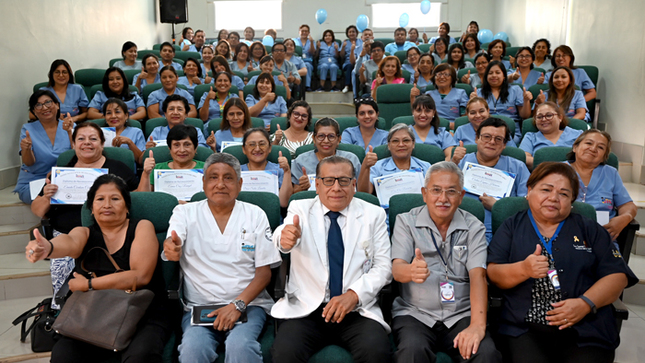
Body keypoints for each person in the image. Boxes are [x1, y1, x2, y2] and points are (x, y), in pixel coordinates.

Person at [487, 162, 638, 363]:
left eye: (564, 194)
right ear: (529, 190)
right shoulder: (512, 226)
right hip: (524, 327)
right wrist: (523, 269)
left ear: (572, 200)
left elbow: (617, 276)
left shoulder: (589, 229)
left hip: (585, 328)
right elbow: (494, 273)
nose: (553, 198)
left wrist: (585, 304)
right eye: (546, 190)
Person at [26, 174, 171, 363]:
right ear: (92, 209)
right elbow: (69, 241)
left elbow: (140, 276)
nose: (107, 204)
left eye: (115, 199)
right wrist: (48, 248)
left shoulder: (142, 227)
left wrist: (89, 284)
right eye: (100, 199)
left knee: (140, 356)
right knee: (63, 354)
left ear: (127, 207)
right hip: (94, 313)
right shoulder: (84, 232)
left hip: (143, 311)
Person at [271, 155, 393, 363]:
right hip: (307, 309)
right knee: (284, 353)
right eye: (328, 181)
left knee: (377, 352)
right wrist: (284, 238)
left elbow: (383, 267)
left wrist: (354, 295)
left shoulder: (374, 215)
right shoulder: (300, 208)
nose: (336, 187)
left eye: (343, 181)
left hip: (356, 309)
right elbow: (286, 232)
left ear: (354, 184)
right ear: (317, 185)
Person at [163, 152, 281, 363]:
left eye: (228, 177)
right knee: (192, 350)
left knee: (241, 347)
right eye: (213, 177)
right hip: (200, 307)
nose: (220, 184)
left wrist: (237, 306)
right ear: (203, 182)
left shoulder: (255, 214)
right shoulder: (184, 213)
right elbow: (174, 240)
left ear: (240, 183)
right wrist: (172, 247)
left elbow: (264, 274)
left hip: (248, 304)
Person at [391, 161, 502, 363]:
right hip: (416, 313)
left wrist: (477, 326)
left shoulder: (474, 227)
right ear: (424, 194)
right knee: (412, 352)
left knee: (486, 354)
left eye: (451, 192)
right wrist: (411, 271)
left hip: (461, 314)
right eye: (436, 190)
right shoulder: (406, 221)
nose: (443, 198)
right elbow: (397, 269)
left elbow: (478, 276)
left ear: (460, 197)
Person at [455, 118, 530, 241]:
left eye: (498, 139)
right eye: (486, 137)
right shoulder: (460, 162)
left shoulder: (518, 167)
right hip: (461, 228)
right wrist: (453, 163)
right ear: (476, 139)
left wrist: (499, 207)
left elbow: (527, 202)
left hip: (505, 231)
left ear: (505, 144)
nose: (492, 142)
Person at [566, 130, 637, 241]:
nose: (593, 149)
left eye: (600, 147)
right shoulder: (557, 170)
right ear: (575, 147)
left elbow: (627, 205)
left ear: (604, 156)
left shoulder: (611, 173)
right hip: (564, 234)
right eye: (589, 143)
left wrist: (624, 218)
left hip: (601, 237)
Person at [15, 90, 73, 204]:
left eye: (48, 102)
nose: (45, 108)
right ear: (34, 112)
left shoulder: (69, 126)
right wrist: (26, 149)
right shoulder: (27, 129)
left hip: (64, 178)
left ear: (57, 105)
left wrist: (70, 133)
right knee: (51, 196)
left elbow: (79, 156)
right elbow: (29, 163)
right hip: (34, 180)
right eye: (38, 105)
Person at [291, 118, 361, 193]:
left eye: (331, 136)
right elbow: (294, 194)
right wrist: (303, 187)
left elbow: (362, 191)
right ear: (314, 139)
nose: (326, 141)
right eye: (321, 136)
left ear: (339, 139)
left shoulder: (351, 159)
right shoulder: (301, 161)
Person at [357, 123, 430, 195]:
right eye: (395, 141)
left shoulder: (426, 166)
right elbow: (364, 193)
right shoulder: (377, 167)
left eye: (406, 140)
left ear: (413, 144)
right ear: (389, 145)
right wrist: (365, 166)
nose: (401, 144)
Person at [473, 61, 533, 144]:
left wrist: (526, 101)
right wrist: (472, 102)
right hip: (485, 129)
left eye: (497, 72)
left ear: (504, 76)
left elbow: (525, 115)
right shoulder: (479, 92)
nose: (494, 75)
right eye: (490, 73)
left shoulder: (515, 90)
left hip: (510, 131)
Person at [139, 124, 206, 198]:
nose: (182, 150)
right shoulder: (157, 168)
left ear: (195, 147)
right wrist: (146, 173)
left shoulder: (207, 168)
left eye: (187, 145)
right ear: (169, 148)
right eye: (176, 145)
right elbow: (142, 198)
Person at [519, 101, 583, 169]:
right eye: (539, 117)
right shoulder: (530, 137)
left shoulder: (577, 134)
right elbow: (524, 158)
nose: (544, 119)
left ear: (560, 118)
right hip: (541, 174)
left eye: (549, 115)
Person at [241, 128, 293, 207]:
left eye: (262, 144)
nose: (257, 149)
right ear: (244, 149)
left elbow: (283, 203)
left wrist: (287, 171)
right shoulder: (237, 171)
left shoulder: (280, 170)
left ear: (270, 148)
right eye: (252, 144)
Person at [407, 95, 457, 160]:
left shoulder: (444, 134)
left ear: (433, 112)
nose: (423, 115)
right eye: (419, 110)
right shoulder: (404, 133)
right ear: (413, 111)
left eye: (427, 111)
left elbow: (449, 157)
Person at [294, 24, 317, 91]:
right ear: (299, 32)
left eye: (306, 31)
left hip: (307, 61)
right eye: (302, 31)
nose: (304, 32)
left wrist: (312, 42)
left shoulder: (311, 41)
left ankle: (307, 86)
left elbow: (312, 52)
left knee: (308, 66)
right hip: (297, 61)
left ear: (308, 33)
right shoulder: (294, 41)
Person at [340, 25, 362, 94]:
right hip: (348, 63)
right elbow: (341, 56)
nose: (351, 33)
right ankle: (347, 86)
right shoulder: (345, 42)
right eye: (350, 32)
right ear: (347, 34)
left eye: (353, 32)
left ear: (356, 33)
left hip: (359, 62)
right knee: (350, 66)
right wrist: (343, 47)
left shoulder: (361, 41)